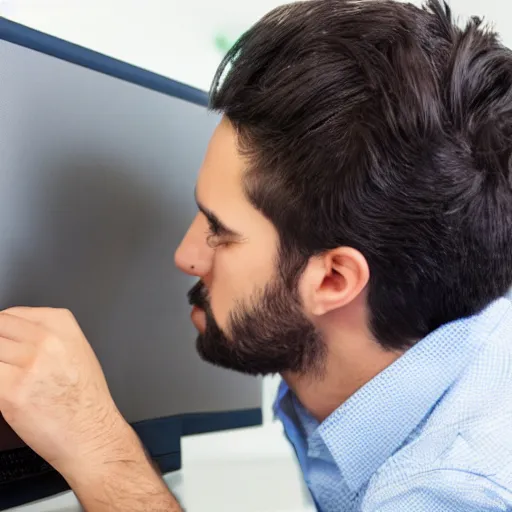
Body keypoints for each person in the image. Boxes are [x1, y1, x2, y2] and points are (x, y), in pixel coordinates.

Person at [1, 0, 512, 510]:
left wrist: (97, 446)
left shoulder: (458, 490)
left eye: (219, 231)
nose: (186, 255)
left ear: (333, 280)